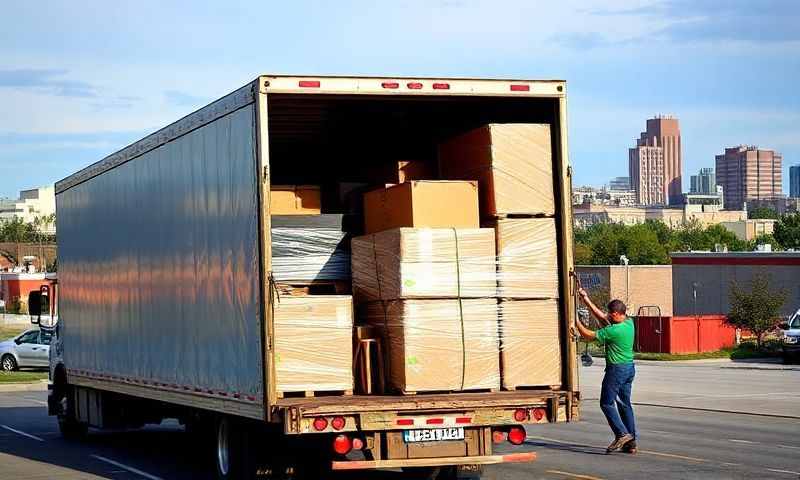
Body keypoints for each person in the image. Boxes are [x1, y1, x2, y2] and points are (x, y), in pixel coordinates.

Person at [574, 288, 637, 454]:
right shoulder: (629, 323)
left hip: (616, 370)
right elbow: (601, 317)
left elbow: (588, 335)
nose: (608, 316)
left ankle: (622, 434)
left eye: (610, 314)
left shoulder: (614, 331)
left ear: (616, 314)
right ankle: (631, 443)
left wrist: (574, 323)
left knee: (606, 403)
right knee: (625, 404)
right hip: (629, 368)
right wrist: (585, 299)